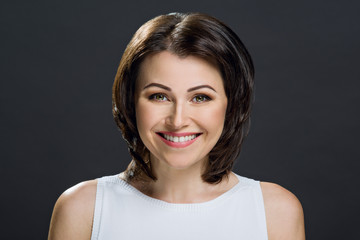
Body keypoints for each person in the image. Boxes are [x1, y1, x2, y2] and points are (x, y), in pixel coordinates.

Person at [48, 12, 305, 240]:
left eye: (200, 97)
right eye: (159, 96)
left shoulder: (275, 211)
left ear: (232, 103)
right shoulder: (82, 209)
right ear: (129, 100)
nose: (178, 120)